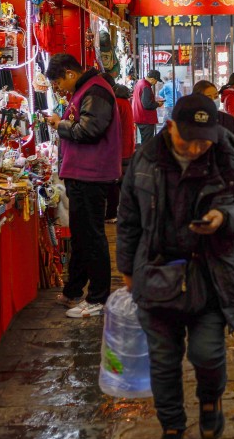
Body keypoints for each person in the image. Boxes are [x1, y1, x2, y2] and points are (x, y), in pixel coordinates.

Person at [116, 94, 234, 439]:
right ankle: (172, 425)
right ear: (170, 127)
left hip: (212, 274)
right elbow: (129, 219)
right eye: (190, 139)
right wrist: (127, 269)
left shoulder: (229, 156)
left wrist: (225, 218)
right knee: (163, 360)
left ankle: (210, 399)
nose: (198, 147)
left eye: (204, 140)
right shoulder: (145, 160)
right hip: (157, 273)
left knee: (207, 353)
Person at [45, 53, 122, 318]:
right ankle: (74, 290)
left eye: (58, 82)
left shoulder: (96, 91)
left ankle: (98, 297)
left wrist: (60, 125)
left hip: (92, 174)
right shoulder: (86, 90)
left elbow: (89, 130)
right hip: (82, 173)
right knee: (81, 235)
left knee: (91, 236)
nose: (59, 88)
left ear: (70, 73)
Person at [105, 73, 136, 223]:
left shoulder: (117, 104)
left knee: (115, 182)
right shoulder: (126, 103)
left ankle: (113, 214)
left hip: (119, 149)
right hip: (127, 147)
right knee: (123, 182)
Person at [193, 80, 234, 152]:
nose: (213, 100)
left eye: (216, 96)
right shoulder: (190, 122)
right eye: (208, 97)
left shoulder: (229, 120)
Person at [133, 69, 164, 145]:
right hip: (146, 119)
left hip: (139, 116)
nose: (156, 83)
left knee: (144, 140)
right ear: (152, 79)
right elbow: (147, 104)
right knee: (147, 143)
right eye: (156, 81)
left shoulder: (140, 82)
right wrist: (158, 104)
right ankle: (144, 153)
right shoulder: (146, 86)